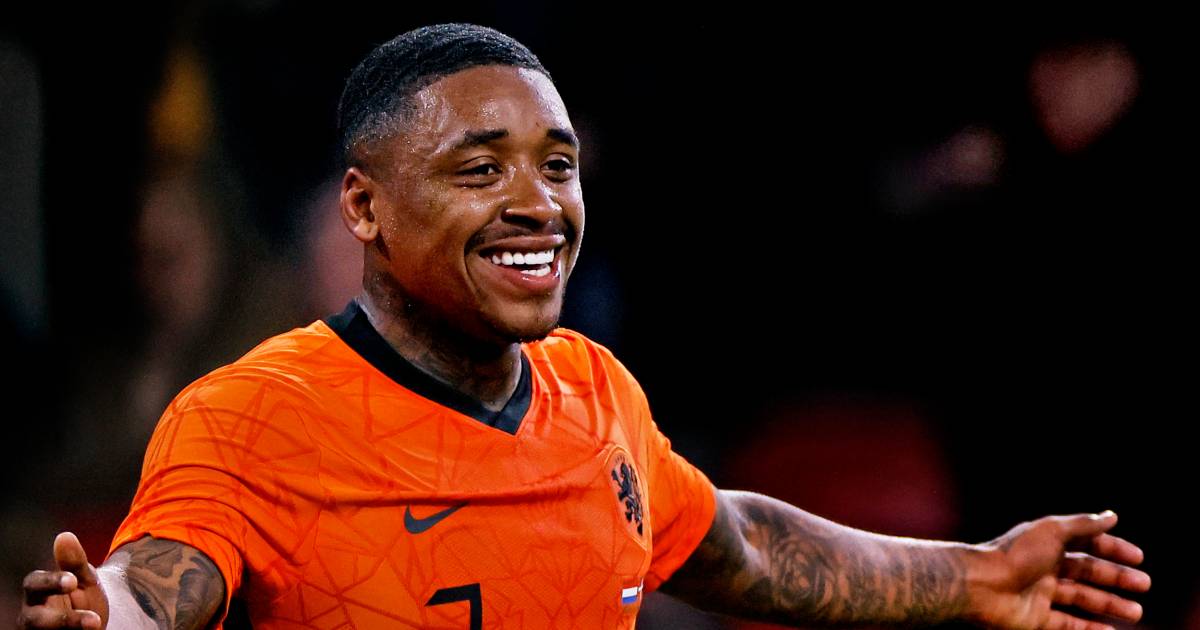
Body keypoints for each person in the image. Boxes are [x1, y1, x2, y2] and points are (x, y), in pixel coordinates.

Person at [18, 23, 1150, 630]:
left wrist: (979, 576)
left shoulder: (595, 390)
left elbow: (741, 546)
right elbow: (161, 576)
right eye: (481, 168)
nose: (539, 204)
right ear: (364, 207)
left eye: (557, 166)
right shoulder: (251, 414)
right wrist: (103, 611)